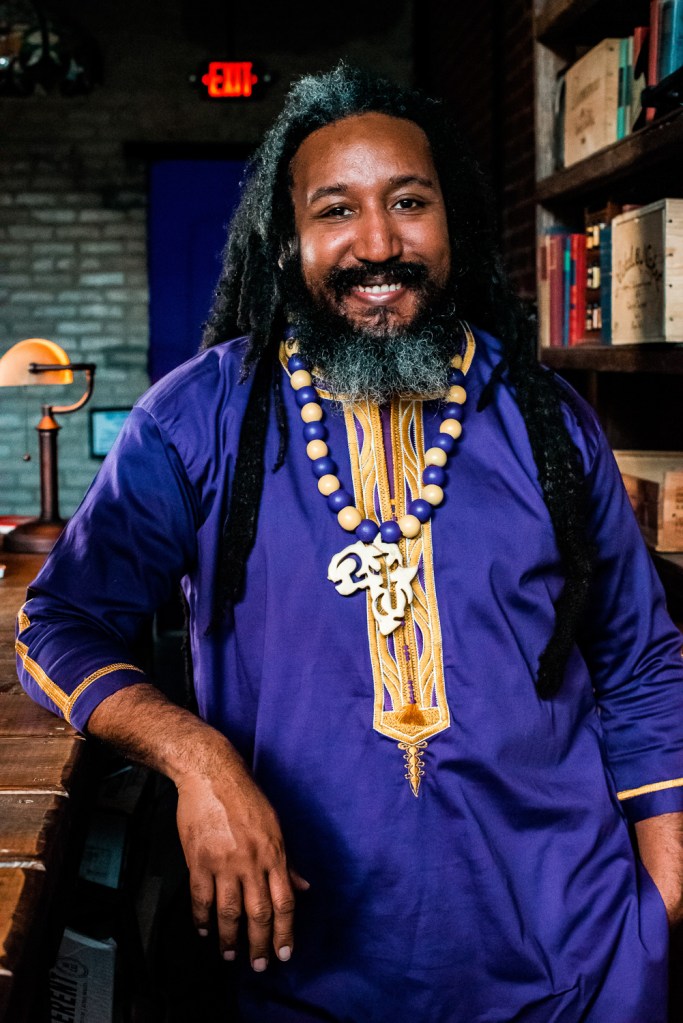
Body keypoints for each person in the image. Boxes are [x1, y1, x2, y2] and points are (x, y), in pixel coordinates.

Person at [16, 64, 683, 1022]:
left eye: (408, 202)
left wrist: (653, 919)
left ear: (451, 221)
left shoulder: (548, 423)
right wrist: (197, 757)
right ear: (287, 242)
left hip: (573, 971)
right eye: (336, 210)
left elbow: (642, 666)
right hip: (298, 980)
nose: (377, 243)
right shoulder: (199, 419)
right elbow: (59, 620)